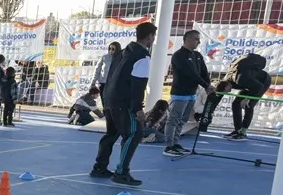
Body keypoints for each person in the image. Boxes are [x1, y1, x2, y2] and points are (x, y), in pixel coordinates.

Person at [91, 21, 156, 186]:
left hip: (109, 99)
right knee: (134, 134)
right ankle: (122, 172)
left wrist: (106, 99)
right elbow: (138, 84)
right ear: (149, 36)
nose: (153, 39)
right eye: (153, 36)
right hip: (123, 102)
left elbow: (110, 76)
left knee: (111, 133)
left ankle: (99, 167)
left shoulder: (122, 52)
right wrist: (137, 108)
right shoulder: (142, 56)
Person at [164, 29, 214, 157]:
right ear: (188, 39)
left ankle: (176, 143)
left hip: (192, 93)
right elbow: (191, 73)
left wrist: (208, 85)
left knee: (183, 120)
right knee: (173, 119)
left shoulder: (197, 55)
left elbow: (203, 72)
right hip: (180, 93)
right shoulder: (179, 55)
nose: (199, 42)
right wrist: (205, 85)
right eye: (196, 39)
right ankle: (169, 146)